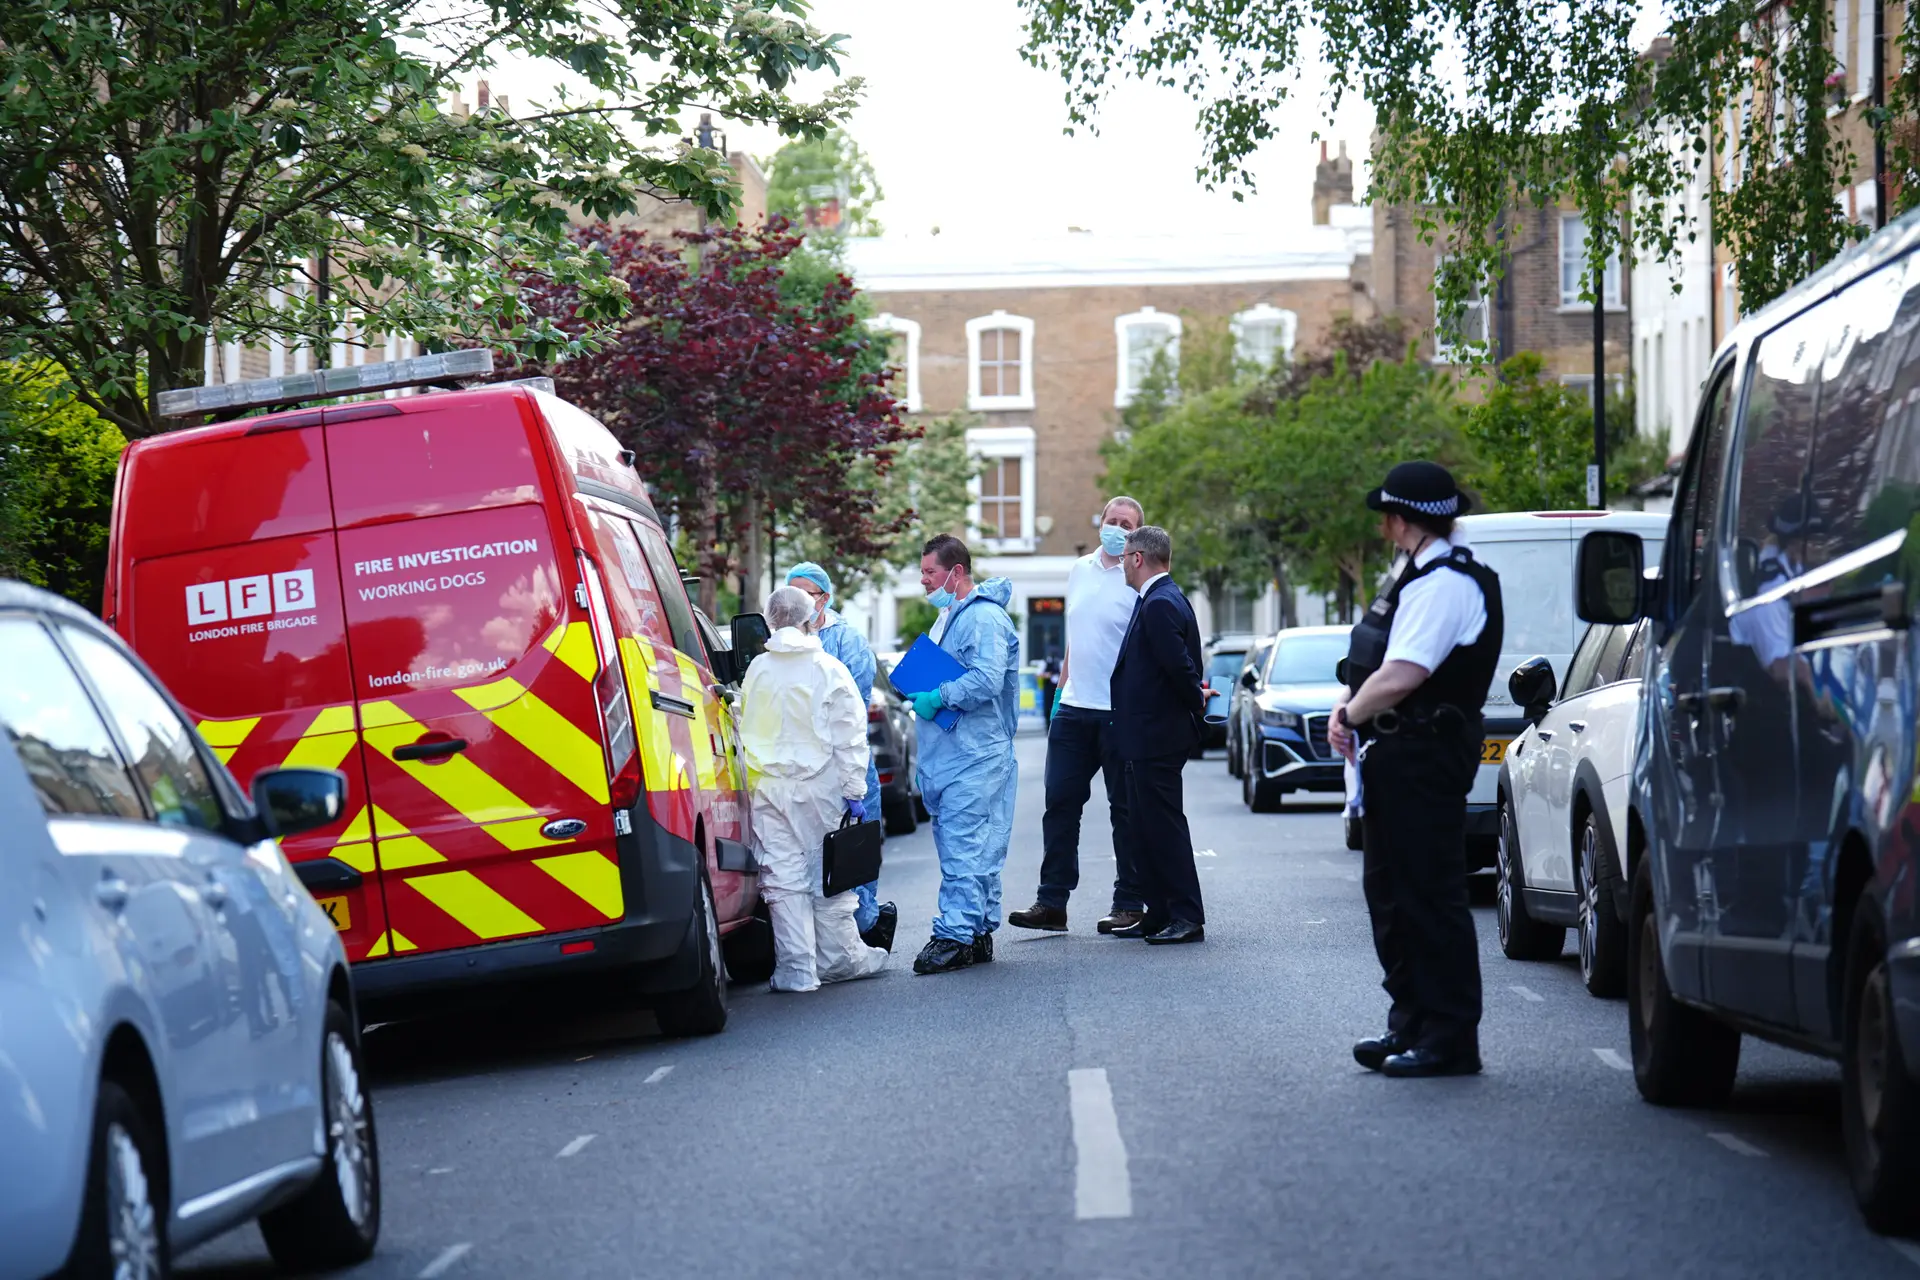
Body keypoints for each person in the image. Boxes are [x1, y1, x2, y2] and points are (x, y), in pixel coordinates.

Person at [1328, 461, 1503, 1078]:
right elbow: (1380, 659)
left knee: (1429, 897)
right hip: (1397, 754)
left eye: (1387, 517)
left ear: (1403, 520)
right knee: (1394, 897)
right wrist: (1351, 706)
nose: (1384, 529)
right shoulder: (1416, 572)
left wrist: (1350, 712)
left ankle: (1449, 1036)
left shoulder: (1445, 583)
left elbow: (1407, 673)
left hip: (1425, 753)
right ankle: (1412, 1022)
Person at [1008, 495, 1150, 935]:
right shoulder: (1078, 570)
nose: (1118, 528)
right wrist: (1060, 696)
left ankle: (1129, 902)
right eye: (1112, 520)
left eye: (1127, 524)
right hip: (1072, 709)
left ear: (1138, 534)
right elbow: (1076, 637)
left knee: (1124, 811)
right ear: (1100, 523)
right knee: (1060, 805)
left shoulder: (1139, 578)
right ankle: (1051, 903)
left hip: (1118, 713)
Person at [739, 585, 889, 993]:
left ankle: (796, 970)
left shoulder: (757, 670)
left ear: (770, 620)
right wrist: (854, 789)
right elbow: (850, 736)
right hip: (820, 786)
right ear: (809, 621)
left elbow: (742, 725)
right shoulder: (828, 669)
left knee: (782, 879)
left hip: (768, 787)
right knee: (829, 874)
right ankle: (840, 960)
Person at [906, 534, 1020, 975]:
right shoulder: (951, 617)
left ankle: (954, 935)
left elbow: (987, 679)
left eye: (930, 572)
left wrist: (939, 694)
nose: (923, 580)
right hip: (957, 754)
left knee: (965, 848)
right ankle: (975, 930)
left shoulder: (983, 619)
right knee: (975, 847)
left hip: (975, 754)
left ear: (956, 572)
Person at [785, 560, 898, 953]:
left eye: (807, 595)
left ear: (824, 598)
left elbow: (851, 712)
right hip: (801, 770)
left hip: (843, 762)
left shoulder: (845, 641)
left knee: (852, 852)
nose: (800, 604)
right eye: (792, 595)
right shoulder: (781, 645)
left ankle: (864, 927)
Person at [1108, 525, 1207, 944]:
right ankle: (1160, 910)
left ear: (1137, 558)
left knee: (1163, 826)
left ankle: (1186, 915)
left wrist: (1196, 698)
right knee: (1145, 826)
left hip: (1157, 735)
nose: (1121, 564)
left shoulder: (1160, 603)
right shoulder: (1159, 599)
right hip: (1144, 734)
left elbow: (1180, 666)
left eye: (1125, 555)